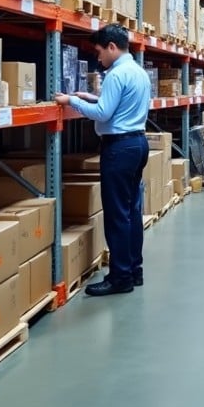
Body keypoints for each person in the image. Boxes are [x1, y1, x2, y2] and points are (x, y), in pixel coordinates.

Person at [55, 25, 151, 296]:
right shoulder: (138, 72)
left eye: (99, 52)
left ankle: (120, 278)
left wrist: (71, 100)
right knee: (131, 212)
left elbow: (103, 113)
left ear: (111, 47)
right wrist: (92, 97)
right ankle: (134, 270)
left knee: (117, 214)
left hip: (119, 148)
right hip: (138, 143)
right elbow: (121, 104)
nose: (98, 58)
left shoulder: (115, 74)